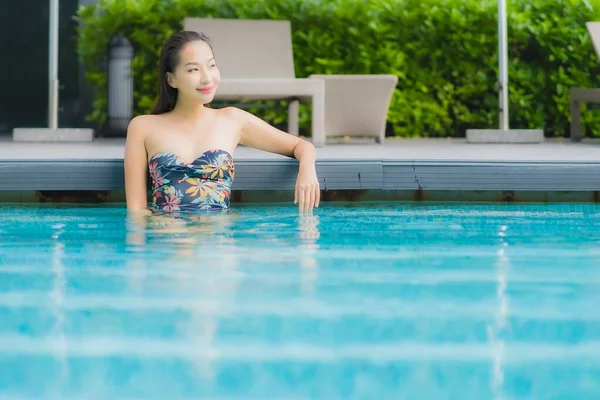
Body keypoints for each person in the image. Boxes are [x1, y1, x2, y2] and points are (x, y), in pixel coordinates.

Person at [124, 30, 320, 215]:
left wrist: (307, 171)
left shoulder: (232, 120)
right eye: (193, 69)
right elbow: (137, 212)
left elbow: (301, 146)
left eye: (211, 66)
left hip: (218, 241)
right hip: (170, 242)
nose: (207, 78)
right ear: (171, 79)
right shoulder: (142, 127)